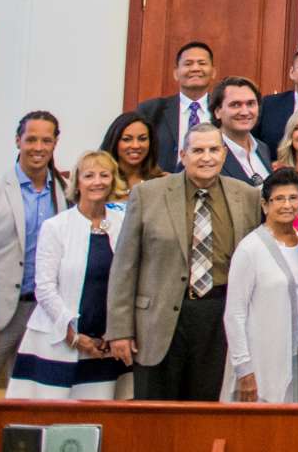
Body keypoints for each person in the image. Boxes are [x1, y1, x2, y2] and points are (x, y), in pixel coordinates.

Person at [106, 124, 263, 399]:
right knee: (156, 415)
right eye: (198, 150)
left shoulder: (247, 196)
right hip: (160, 320)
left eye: (214, 150)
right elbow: (124, 266)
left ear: (224, 154)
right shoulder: (148, 195)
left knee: (206, 413)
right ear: (182, 155)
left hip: (218, 318)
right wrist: (120, 329)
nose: (207, 158)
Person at [8, 150, 131, 400]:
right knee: (50, 421)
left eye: (104, 175)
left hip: (105, 344)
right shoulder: (56, 227)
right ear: (77, 182)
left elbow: (128, 282)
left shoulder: (124, 224)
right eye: (89, 175)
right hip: (58, 340)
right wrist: (72, 334)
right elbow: (44, 287)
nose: (97, 181)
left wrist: (117, 331)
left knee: (99, 420)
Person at [0, 109, 65, 396]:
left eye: (46, 140)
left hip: (43, 312)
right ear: (18, 141)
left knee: (30, 396)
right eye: (31, 139)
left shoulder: (65, 192)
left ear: (56, 143)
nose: (38, 148)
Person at [223, 167, 298, 402]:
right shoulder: (250, 248)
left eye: (293, 198)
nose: (286, 205)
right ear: (265, 205)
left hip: (297, 358)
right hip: (261, 362)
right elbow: (234, 313)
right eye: (278, 199)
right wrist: (244, 369)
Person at [134, 41, 218, 172]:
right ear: (176, 73)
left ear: (213, 72)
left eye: (202, 63)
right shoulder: (152, 110)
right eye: (188, 64)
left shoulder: (223, 110)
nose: (195, 68)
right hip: (163, 186)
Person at [211, 78, 273, 187]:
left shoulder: (262, 148)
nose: (245, 112)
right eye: (235, 105)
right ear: (217, 112)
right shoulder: (206, 151)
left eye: (250, 104)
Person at [101, 113, 162, 199]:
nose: (135, 146)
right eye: (127, 139)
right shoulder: (99, 180)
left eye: (142, 139)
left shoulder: (163, 182)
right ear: (114, 142)